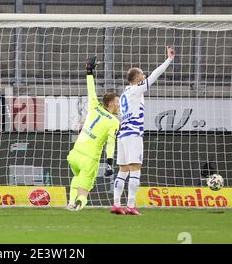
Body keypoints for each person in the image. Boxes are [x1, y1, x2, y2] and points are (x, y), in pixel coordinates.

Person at [110, 46, 176, 215]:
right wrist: (169, 59)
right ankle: (131, 205)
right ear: (136, 78)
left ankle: (116, 204)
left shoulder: (125, 92)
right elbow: (155, 75)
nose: (144, 76)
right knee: (135, 167)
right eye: (141, 74)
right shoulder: (136, 88)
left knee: (123, 169)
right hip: (133, 134)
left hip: (123, 134)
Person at [66, 56, 120, 211]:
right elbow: (111, 142)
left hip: (75, 154)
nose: (119, 105)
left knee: (77, 178)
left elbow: (91, 89)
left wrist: (89, 71)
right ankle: (79, 204)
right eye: (117, 102)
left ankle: (70, 202)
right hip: (90, 158)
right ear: (110, 104)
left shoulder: (94, 106)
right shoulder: (114, 122)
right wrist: (109, 163)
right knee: (85, 189)